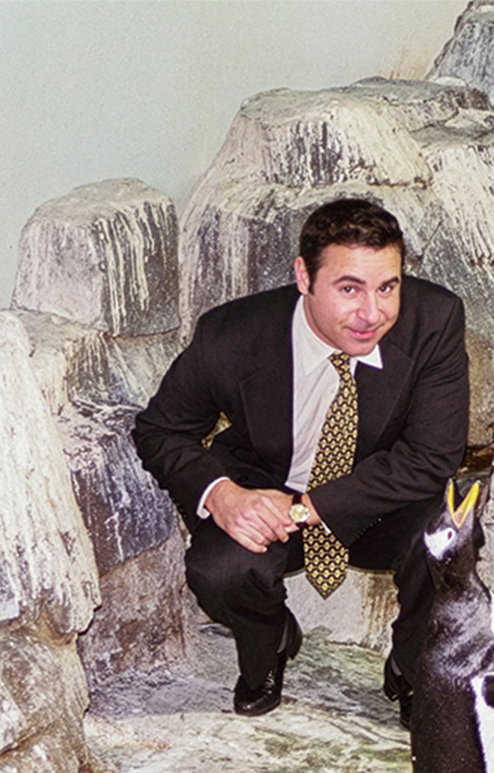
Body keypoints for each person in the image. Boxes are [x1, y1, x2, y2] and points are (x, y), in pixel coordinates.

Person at [132, 198, 469, 725]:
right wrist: (222, 495)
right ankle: (269, 644)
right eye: (349, 288)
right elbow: (160, 429)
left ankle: (411, 668)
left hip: (376, 499)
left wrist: (312, 508)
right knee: (219, 571)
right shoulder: (232, 336)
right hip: (267, 486)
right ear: (304, 278)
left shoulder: (434, 322)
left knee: (449, 534)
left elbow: (433, 455)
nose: (372, 313)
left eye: (388, 287)